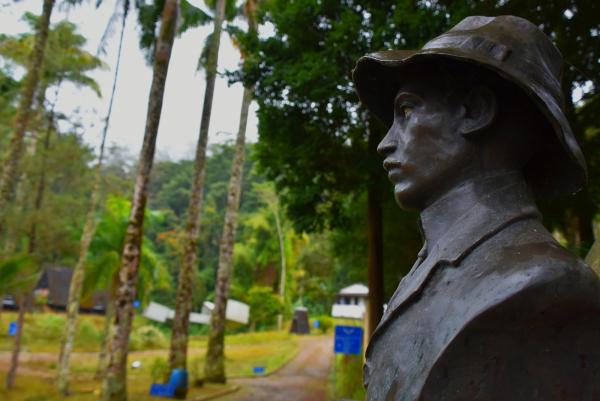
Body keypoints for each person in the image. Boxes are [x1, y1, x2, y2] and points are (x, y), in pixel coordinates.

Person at [352, 15, 600, 401]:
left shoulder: (543, 285)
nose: (385, 143)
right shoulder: (434, 268)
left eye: (407, 110)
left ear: (476, 112)